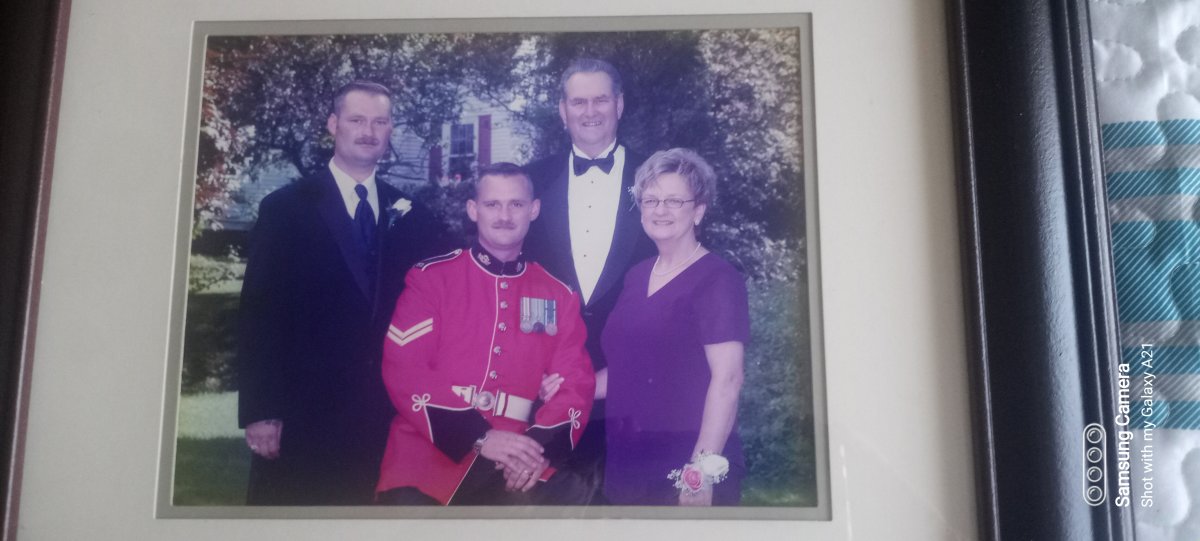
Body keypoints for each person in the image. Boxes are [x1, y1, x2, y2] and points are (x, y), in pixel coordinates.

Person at [236, 81, 446, 505]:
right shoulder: (287, 208)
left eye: (380, 121)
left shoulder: (413, 217)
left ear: (390, 130)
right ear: (334, 125)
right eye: (356, 120)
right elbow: (259, 312)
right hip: (304, 414)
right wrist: (261, 409)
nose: (368, 131)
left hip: (386, 416)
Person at [375, 162, 596, 505]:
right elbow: (405, 368)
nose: (505, 215)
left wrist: (534, 452)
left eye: (516, 204)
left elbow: (575, 384)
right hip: (428, 455)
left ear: (533, 210)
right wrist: (478, 436)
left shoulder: (556, 294)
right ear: (473, 210)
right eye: (493, 204)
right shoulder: (431, 279)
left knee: (576, 503)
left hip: (519, 456)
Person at [523, 58, 655, 497]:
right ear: (562, 111)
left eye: (600, 99)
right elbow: (525, 276)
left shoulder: (659, 179)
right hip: (552, 394)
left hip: (638, 393)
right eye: (578, 101)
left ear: (619, 104)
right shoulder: (531, 182)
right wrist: (539, 362)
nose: (590, 110)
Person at [599, 148, 749, 506]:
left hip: (687, 461)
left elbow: (728, 380)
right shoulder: (637, 275)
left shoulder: (718, 279)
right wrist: (568, 387)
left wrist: (700, 473)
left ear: (698, 210)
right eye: (650, 200)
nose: (659, 210)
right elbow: (629, 369)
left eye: (673, 200)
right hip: (627, 458)